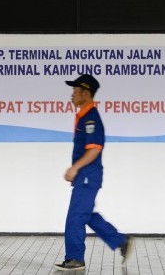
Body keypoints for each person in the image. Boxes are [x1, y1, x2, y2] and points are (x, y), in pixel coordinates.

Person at [54, 74, 133, 271]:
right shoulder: (84, 116)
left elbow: (95, 149)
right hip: (87, 176)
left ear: (85, 93)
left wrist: (75, 168)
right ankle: (121, 241)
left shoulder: (91, 118)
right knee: (85, 214)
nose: (71, 95)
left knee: (75, 216)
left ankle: (75, 258)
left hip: (88, 175)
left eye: (75, 91)